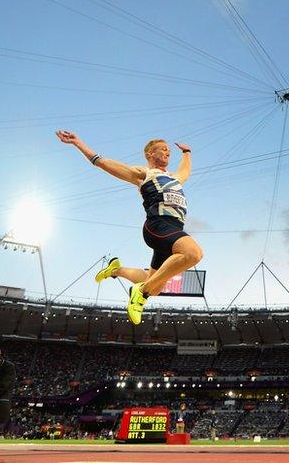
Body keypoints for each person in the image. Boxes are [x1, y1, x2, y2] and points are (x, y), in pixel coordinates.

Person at [56, 130, 204, 325]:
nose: (168, 152)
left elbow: (185, 171)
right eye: (163, 149)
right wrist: (78, 143)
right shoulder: (143, 173)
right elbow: (103, 163)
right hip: (158, 226)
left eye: (169, 150)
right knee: (193, 253)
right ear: (150, 154)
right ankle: (141, 292)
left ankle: (116, 270)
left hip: (173, 230)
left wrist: (187, 153)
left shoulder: (174, 178)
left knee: (156, 284)